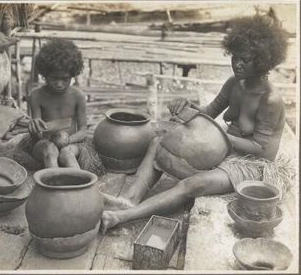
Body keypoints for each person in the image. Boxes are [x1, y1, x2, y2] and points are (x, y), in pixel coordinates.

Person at [100, 14, 289, 233]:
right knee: (157, 144)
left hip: (252, 165)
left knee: (194, 185)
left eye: (244, 59)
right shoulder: (234, 83)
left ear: (262, 61)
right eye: (234, 56)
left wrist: (223, 137)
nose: (236, 63)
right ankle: (128, 199)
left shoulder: (270, 100)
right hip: (226, 149)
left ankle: (120, 217)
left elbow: (261, 150)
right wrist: (186, 108)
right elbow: (208, 114)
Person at [28, 38, 87, 169]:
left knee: (67, 154)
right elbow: (37, 136)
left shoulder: (78, 96)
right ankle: (52, 181)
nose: (59, 84)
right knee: (50, 150)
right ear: (45, 74)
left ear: (73, 75)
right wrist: (33, 129)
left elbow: (83, 130)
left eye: (65, 79)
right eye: (54, 78)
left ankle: (81, 184)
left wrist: (68, 141)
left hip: (71, 143)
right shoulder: (36, 95)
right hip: (45, 143)